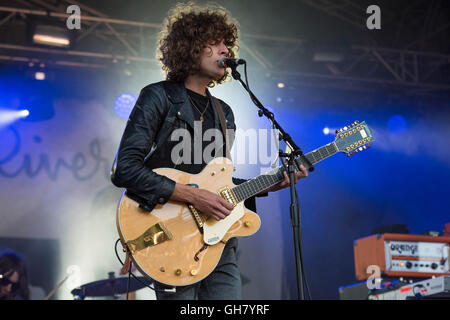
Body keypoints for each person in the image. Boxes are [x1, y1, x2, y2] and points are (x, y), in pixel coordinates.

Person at [111, 2, 308, 300]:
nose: (225, 51)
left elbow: (219, 186)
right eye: (214, 43)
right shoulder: (158, 96)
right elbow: (124, 169)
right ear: (190, 48)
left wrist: (271, 184)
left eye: (226, 44)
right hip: (170, 234)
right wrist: (192, 195)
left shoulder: (224, 112)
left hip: (220, 242)